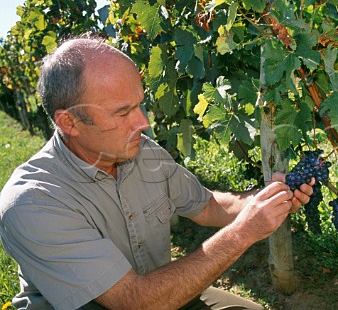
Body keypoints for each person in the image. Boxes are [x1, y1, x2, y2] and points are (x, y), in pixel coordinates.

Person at [0, 36, 314, 310]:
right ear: (69, 123)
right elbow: (135, 302)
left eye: (139, 105)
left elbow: (206, 206)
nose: (142, 123)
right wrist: (243, 233)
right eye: (123, 112)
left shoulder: (142, 152)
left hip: (161, 293)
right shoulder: (32, 203)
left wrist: (266, 200)